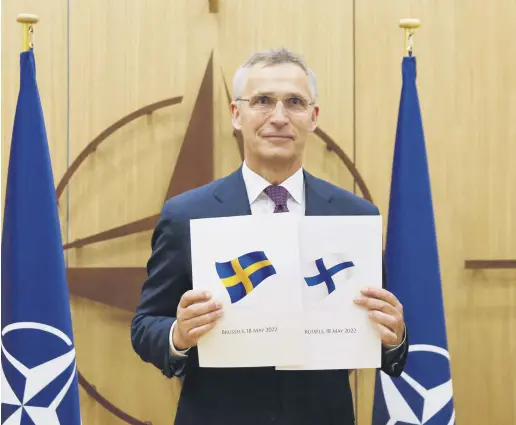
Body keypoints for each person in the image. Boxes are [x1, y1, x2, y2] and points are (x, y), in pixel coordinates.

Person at [131, 48, 408, 425]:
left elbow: (382, 336)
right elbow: (145, 324)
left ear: (313, 117)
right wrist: (178, 334)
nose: (278, 117)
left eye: (294, 102)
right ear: (236, 114)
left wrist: (395, 337)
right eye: (262, 101)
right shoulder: (186, 215)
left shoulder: (355, 216)